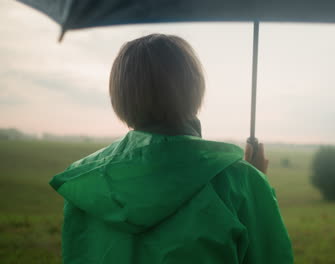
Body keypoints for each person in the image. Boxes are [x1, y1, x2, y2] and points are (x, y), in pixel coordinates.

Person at [49, 34, 293, 264]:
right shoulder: (241, 183)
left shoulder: (85, 183)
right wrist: (253, 185)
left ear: (120, 96)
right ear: (194, 88)